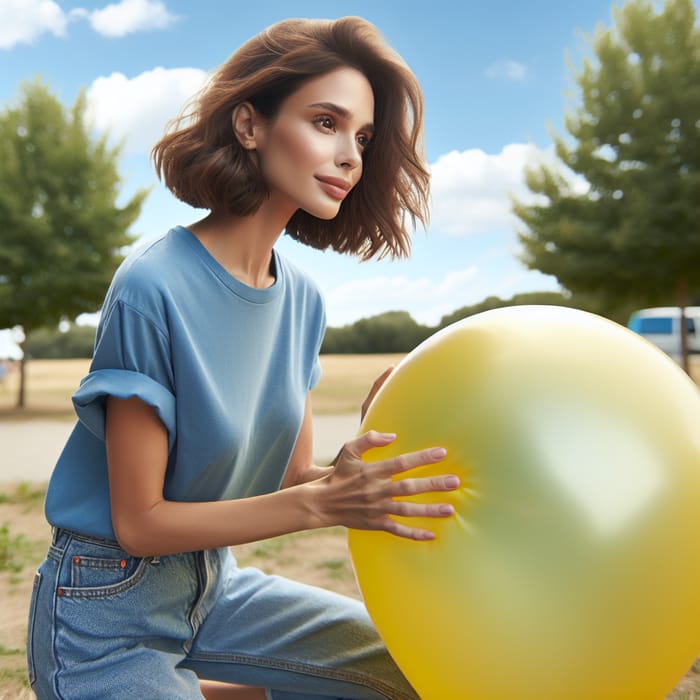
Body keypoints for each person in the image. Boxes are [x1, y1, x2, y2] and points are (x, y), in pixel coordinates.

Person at [27, 16, 460, 700]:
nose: (351, 154)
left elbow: (293, 480)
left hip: (213, 587)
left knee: (413, 672)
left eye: (364, 137)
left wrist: (363, 473)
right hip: (104, 607)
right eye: (326, 121)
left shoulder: (304, 302)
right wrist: (325, 505)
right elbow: (140, 524)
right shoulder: (152, 287)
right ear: (250, 125)